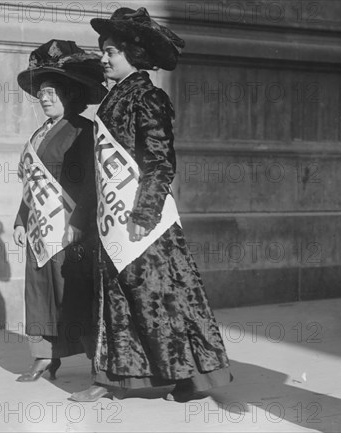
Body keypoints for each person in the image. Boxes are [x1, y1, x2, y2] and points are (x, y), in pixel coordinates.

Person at [70, 8, 232, 402]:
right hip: (116, 216)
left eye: (110, 51)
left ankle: (189, 377)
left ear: (133, 55)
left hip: (146, 221)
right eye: (102, 51)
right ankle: (117, 378)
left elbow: (159, 162)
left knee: (163, 297)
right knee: (124, 299)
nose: (103, 58)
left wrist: (144, 213)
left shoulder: (148, 96)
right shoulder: (115, 98)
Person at [13, 40, 107, 382]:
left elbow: (93, 184)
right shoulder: (38, 135)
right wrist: (21, 219)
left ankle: (100, 361)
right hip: (40, 229)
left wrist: (79, 223)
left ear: (69, 93)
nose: (45, 97)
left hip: (72, 228)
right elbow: (32, 186)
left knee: (75, 293)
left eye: (53, 91)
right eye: (42, 92)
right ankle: (44, 357)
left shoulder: (84, 131)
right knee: (40, 292)